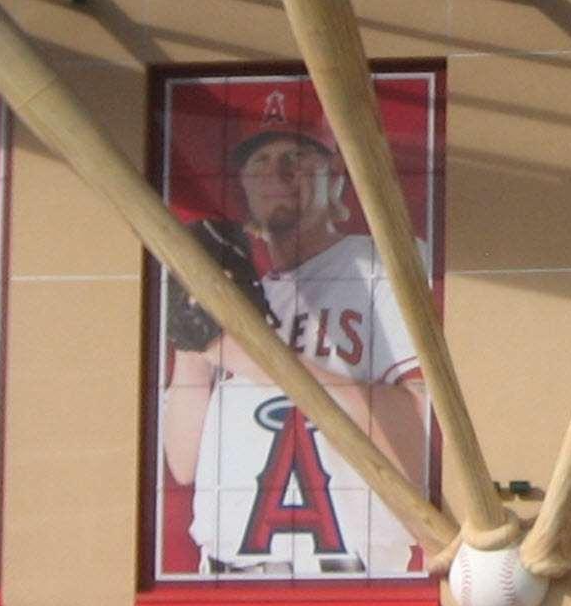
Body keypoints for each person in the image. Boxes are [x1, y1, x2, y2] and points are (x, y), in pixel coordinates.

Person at [159, 102, 428, 577]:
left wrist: (244, 352)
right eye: (259, 161)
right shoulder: (245, 293)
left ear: (336, 175)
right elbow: (183, 465)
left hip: (350, 574)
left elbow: (420, 437)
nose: (276, 172)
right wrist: (193, 344)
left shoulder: (380, 267)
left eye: (298, 157)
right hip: (225, 577)